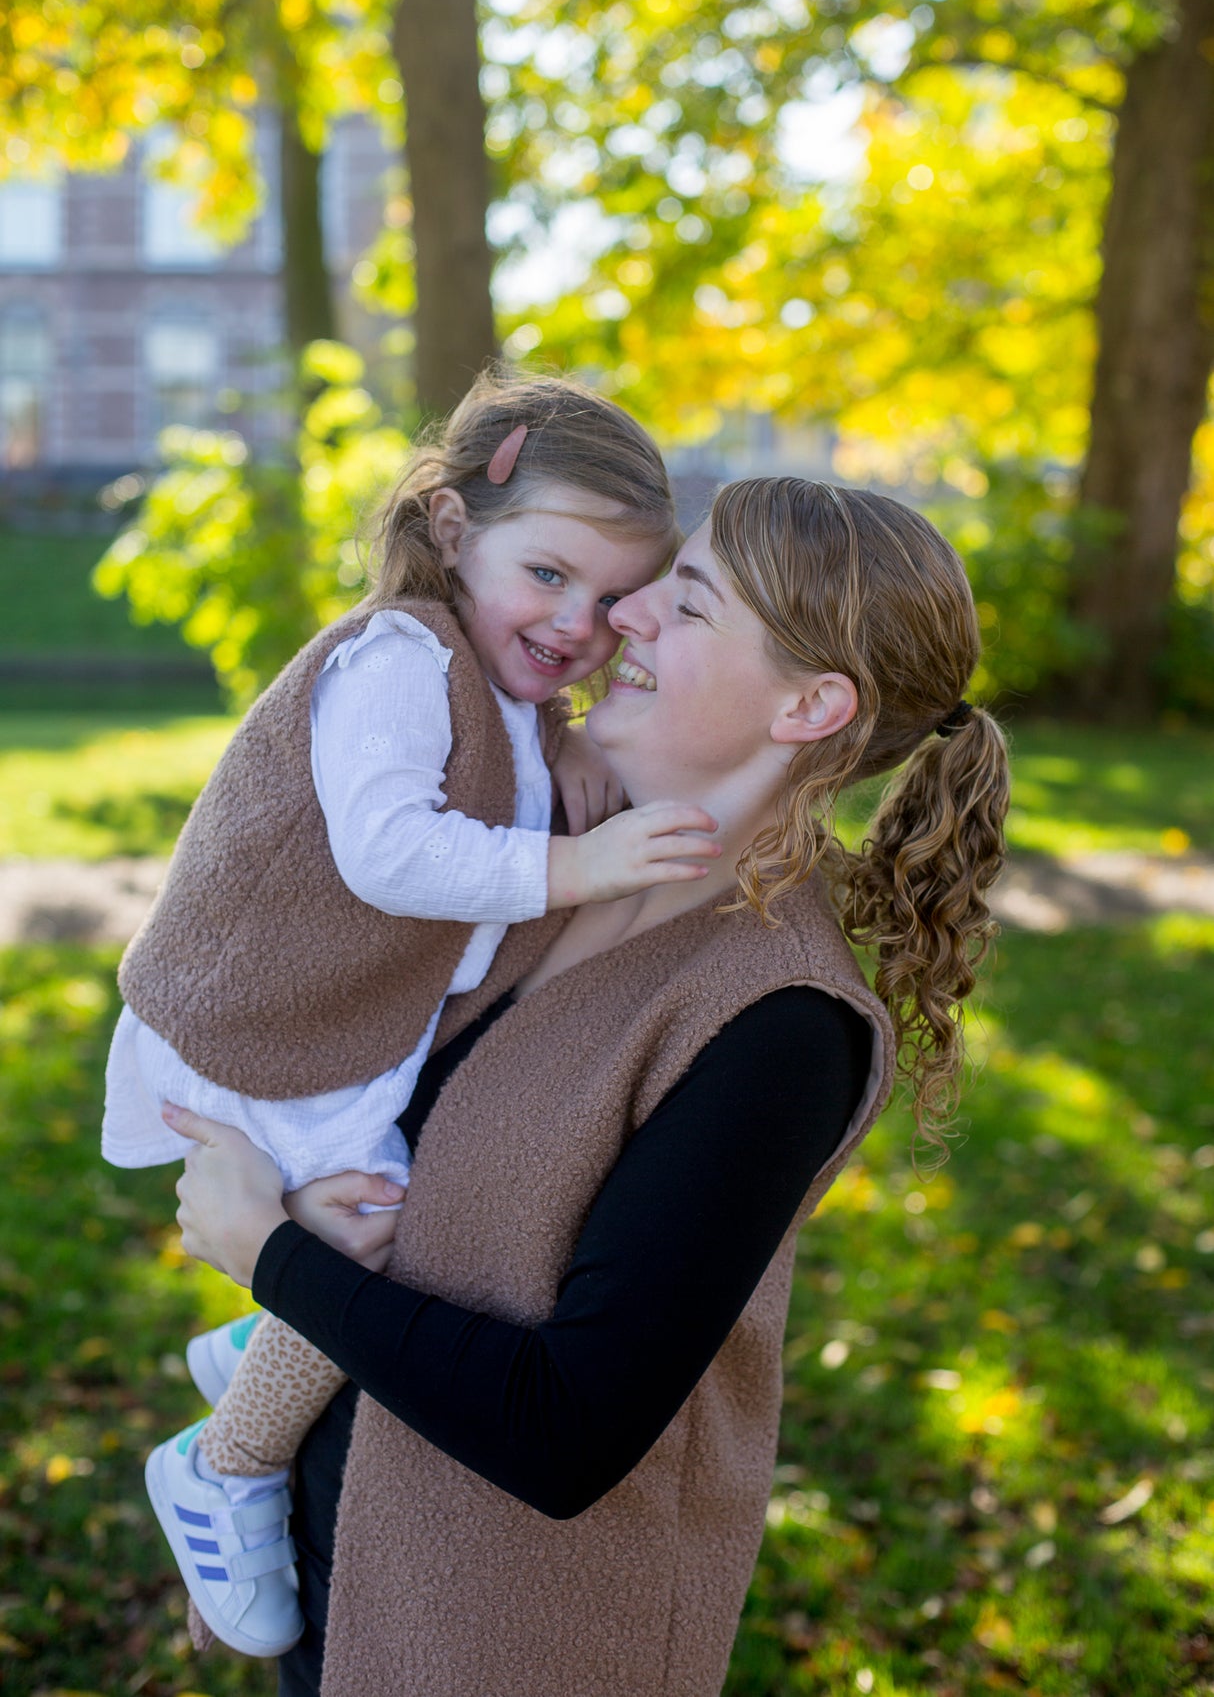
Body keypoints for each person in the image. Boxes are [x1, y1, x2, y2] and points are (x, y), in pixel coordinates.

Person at [165, 474, 1011, 1697]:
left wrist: (265, 1255)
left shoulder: (779, 1025)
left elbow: (564, 1429)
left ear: (810, 704)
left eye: (691, 602)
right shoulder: (541, 858)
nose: (626, 616)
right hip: (339, 1566)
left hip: (506, 1638)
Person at [101, 370, 716, 1656]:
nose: (575, 621)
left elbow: (503, 811)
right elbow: (389, 851)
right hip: (262, 1018)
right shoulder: (392, 657)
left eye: (611, 600)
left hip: (338, 1023)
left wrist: (573, 773)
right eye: (545, 574)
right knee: (386, 1229)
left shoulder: (513, 700)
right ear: (450, 530)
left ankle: (256, 1339)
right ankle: (223, 1469)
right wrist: (577, 866)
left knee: (382, 1213)